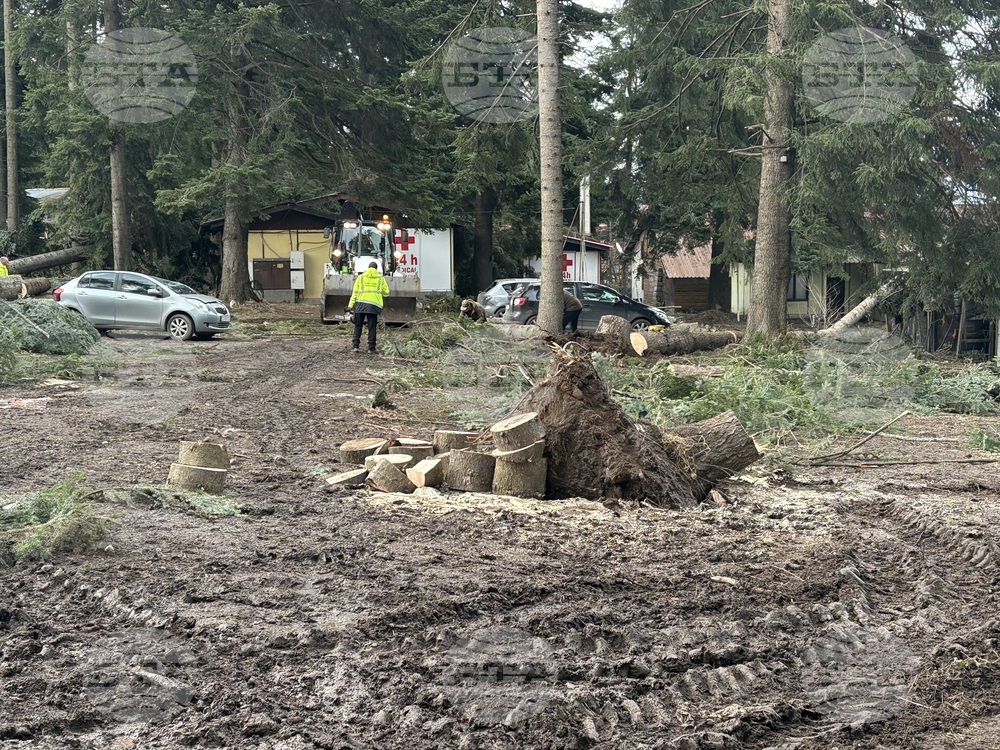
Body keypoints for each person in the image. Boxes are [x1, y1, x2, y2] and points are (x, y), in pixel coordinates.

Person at [347, 261, 390, 353]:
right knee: (372, 327)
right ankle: (371, 348)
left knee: (358, 326)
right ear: (376, 269)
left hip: (360, 305)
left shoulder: (360, 277)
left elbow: (354, 293)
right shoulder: (381, 279)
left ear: (368, 268)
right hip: (373, 306)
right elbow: (386, 293)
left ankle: (355, 346)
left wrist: (350, 306)